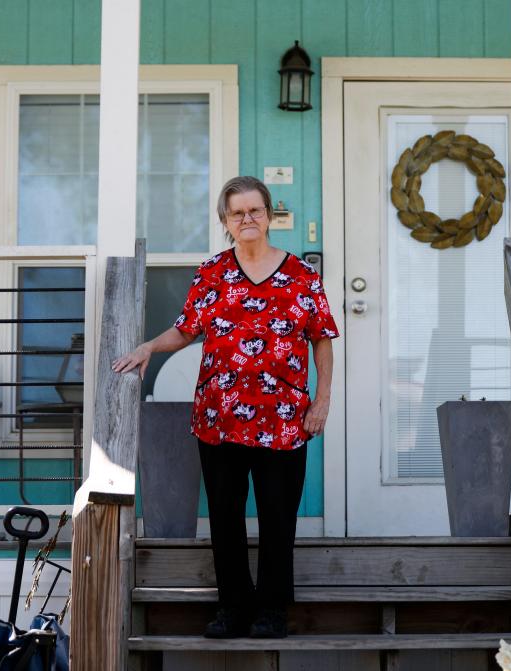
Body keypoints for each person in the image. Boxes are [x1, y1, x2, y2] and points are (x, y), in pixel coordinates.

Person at [111, 176, 339, 639]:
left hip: (283, 419)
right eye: (237, 213)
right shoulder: (212, 273)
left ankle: (272, 611)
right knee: (225, 518)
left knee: (278, 518)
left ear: (269, 216)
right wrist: (149, 347)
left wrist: (322, 401)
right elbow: (186, 329)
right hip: (219, 418)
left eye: (255, 211)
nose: (247, 219)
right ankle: (232, 608)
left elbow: (321, 340)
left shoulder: (300, 276)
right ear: (225, 222)